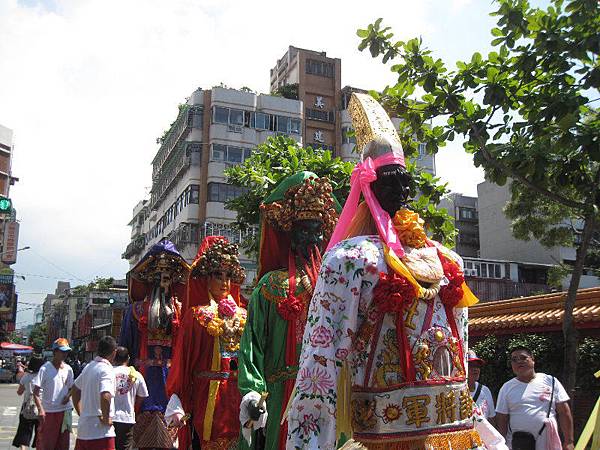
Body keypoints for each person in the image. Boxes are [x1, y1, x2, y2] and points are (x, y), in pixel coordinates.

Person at [286, 93, 485, 449]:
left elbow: (463, 340)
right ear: (368, 186)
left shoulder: (449, 260)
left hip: (449, 421)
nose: (403, 189)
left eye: (406, 180)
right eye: (390, 180)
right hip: (384, 426)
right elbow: (323, 354)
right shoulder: (348, 260)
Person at [236, 172, 340, 450]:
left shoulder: (338, 284)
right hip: (283, 394)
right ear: (291, 234)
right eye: (304, 230)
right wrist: (253, 390)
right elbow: (252, 344)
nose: (313, 237)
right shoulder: (270, 286)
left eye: (318, 229)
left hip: (330, 393)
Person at [166, 236, 247, 450]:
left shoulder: (244, 316)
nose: (224, 282)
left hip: (237, 395)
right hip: (206, 396)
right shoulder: (197, 317)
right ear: (206, 278)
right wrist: (177, 396)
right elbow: (183, 359)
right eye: (217, 275)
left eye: (228, 275)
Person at [118, 240, 190, 450]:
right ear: (151, 278)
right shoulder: (135, 311)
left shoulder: (182, 310)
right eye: (159, 275)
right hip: (142, 378)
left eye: (168, 275)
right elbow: (125, 349)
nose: (163, 280)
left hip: (172, 381)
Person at [496, 346, 574, 450]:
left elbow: (564, 412)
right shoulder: (506, 388)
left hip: (547, 443)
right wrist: (501, 444)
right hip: (518, 444)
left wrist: (569, 441)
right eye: (514, 359)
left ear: (533, 360)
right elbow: (502, 418)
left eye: (523, 358)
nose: (519, 361)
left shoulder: (551, 381)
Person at [71, 336, 117, 450]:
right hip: (101, 433)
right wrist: (106, 418)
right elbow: (105, 395)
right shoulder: (106, 369)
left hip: (84, 431)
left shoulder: (88, 367)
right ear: (114, 352)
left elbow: (75, 389)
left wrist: (81, 412)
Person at [32, 338, 74, 450]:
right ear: (55, 352)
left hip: (65, 411)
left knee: (63, 444)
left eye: (66, 352)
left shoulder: (68, 369)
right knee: (46, 444)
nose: (65, 354)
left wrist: (68, 396)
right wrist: (40, 409)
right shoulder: (45, 369)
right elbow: (35, 393)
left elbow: (72, 388)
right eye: (62, 351)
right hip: (49, 412)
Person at [112, 347, 148, 450]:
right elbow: (142, 396)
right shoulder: (136, 375)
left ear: (114, 358)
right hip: (127, 418)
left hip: (109, 418)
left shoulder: (108, 372)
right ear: (128, 358)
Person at [12, 355, 44, 450]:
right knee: (40, 432)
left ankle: (23, 448)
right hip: (41, 408)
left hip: (27, 407)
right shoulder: (43, 377)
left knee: (24, 431)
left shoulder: (26, 377)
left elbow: (19, 392)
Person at [468, 350, 496, 425]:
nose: (475, 369)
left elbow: (491, 418)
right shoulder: (456, 392)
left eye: (477, 366)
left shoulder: (485, 390)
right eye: (470, 365)